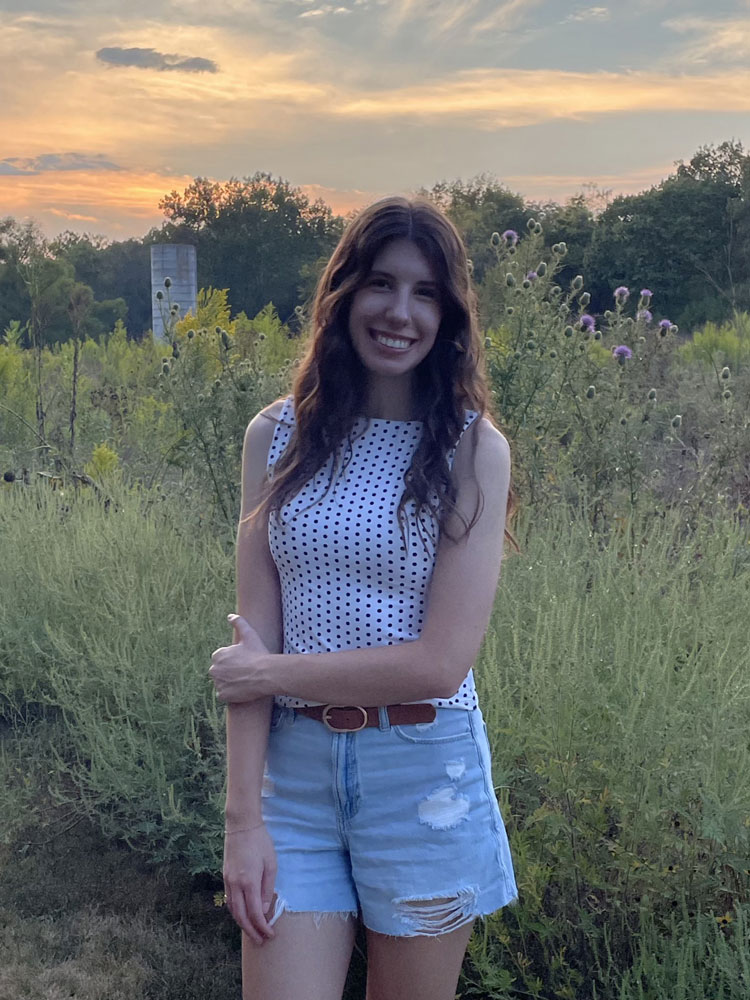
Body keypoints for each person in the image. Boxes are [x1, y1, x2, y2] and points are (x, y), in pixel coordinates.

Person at [209, 195, 518, 1000]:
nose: (400, 312)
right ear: (344, 294)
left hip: (423, 783)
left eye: (425, 293)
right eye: (382, 284)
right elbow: (255, 637)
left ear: (449, 313)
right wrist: (244, 822)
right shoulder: (274, 437)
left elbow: (439, 664)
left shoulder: (471, 450)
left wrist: (273, 676)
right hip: (295, 783)